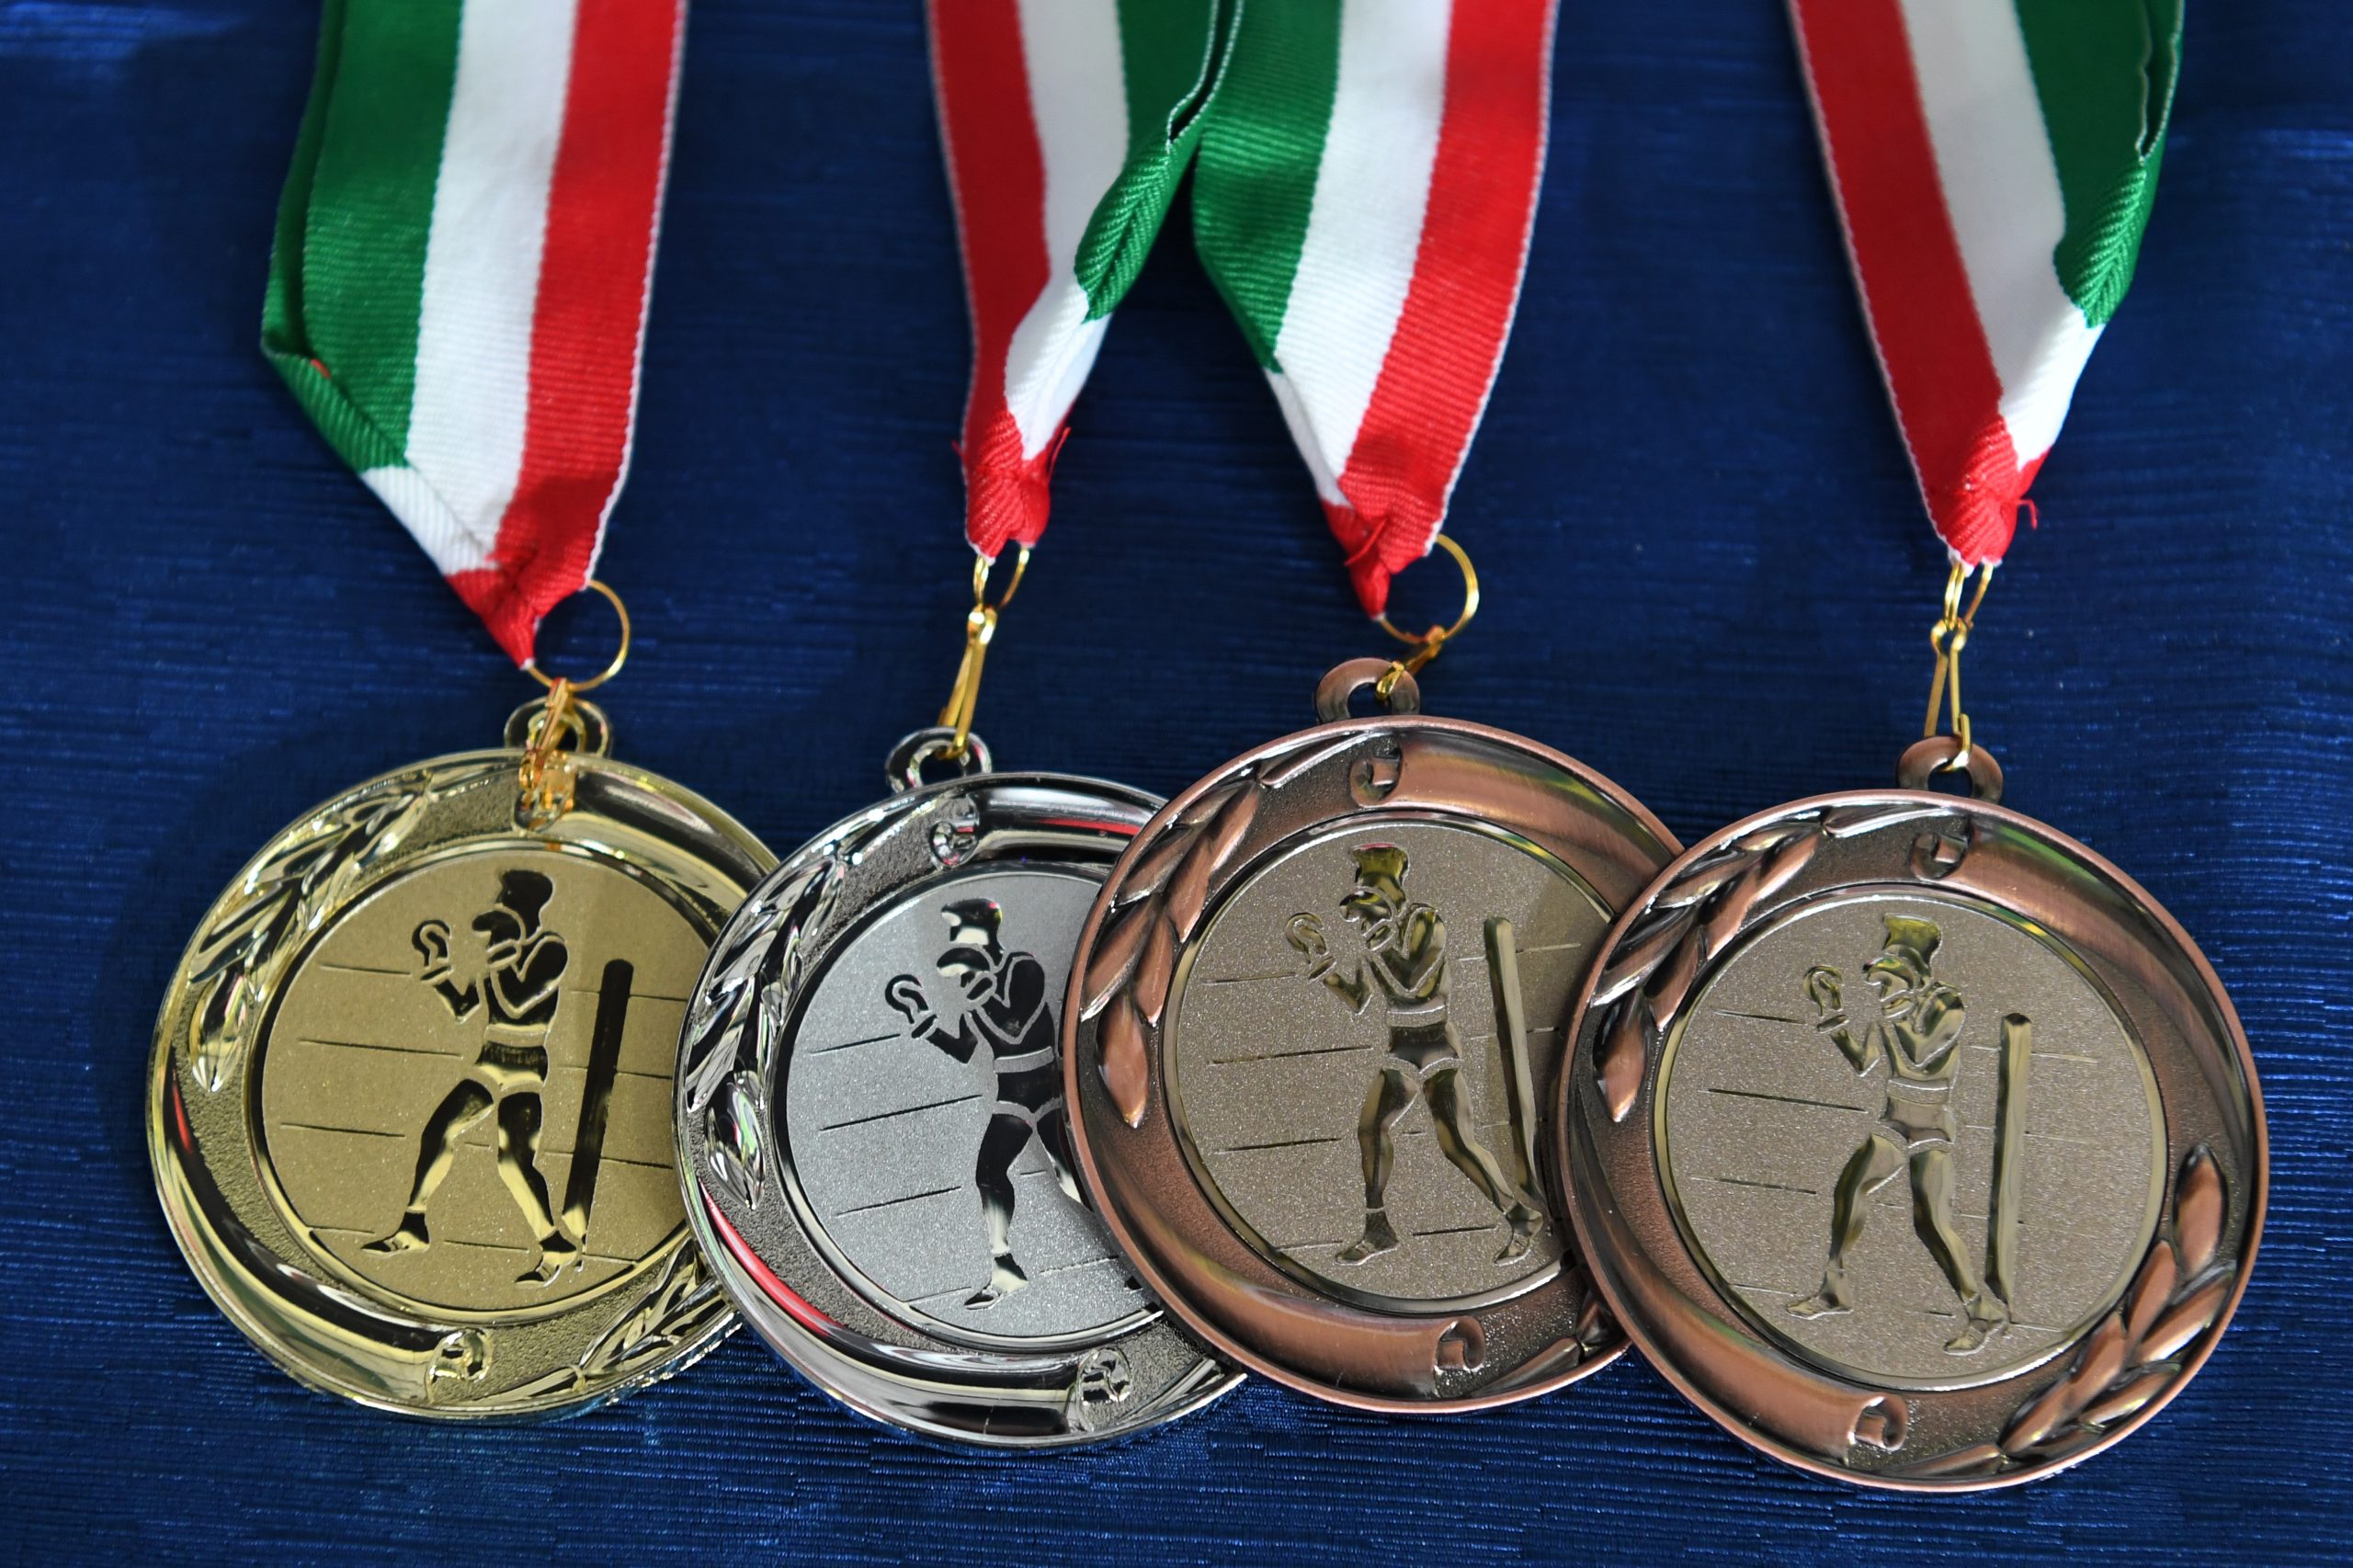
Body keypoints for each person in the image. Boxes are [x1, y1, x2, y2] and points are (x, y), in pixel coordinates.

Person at [1287, 845, 1545, 1267]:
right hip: (1400, 1045)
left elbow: (1412, 983)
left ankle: (1520, 1216)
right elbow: (1359, 1000)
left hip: (1435, 1042)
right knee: (1371, 1128)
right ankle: (1377, 1226)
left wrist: (1378, 939)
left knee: (1456, 1143)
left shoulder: (1425, 921)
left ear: (1388, 888)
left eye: (1369, 891)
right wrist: (1323, 964)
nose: (1362, 905)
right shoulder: (1373, 936)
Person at [1789, 915, 2011, 1353]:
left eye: (1885, 978)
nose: (1878, 988)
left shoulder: (1947, 1003)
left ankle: (1982, 1310)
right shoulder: (1889, 1010)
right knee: (1850, 1189)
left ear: (1909, 970)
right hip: (1894, 1118)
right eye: (1878, 981)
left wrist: (1897, 1009)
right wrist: (1832, 1010)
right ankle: (1834, 1289)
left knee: (1930, 1222)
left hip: (1931, 1123)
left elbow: (1921, 1052)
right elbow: (1862, 1062)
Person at [365, 868, 580, 1286]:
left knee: (513, 1162)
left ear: (525, 905)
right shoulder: (500, 954)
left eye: (507, 898)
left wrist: (499, 951)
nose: (499, 902)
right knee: (440, 1130)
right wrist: (438, 969)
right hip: (488, 1059)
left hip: (525, 1064)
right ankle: (413, 1225)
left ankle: (553, 1242)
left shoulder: (549, 949)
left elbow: (516, 1001)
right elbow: (465, 1008)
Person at [883, 898, 1081, 1307]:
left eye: (957, 928)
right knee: (988, 1174)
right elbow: (964, 1051)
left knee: (1069, 1173)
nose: (952, 936)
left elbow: (1016, 1027)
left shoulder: (1023, 968)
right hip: (1010, 1096)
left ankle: (1122, 1245)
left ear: (982, 927)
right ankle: (1004, 1267)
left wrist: (980, 992)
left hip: (1048, 1089)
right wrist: (924, 1022)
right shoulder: (975, 1002)